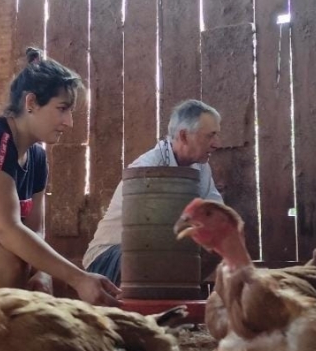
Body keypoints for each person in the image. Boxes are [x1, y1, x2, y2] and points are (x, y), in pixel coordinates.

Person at [0, 47, 120, 306]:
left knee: (46, 272)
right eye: (62, 109)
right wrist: (79, 279)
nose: (69, 122)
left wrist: (43, 274)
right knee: (12, 263)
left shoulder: (38, 159)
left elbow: (34, 230)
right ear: (31, 103)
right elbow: (7, 230)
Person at [84, 99, 223, 285]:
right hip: (109, 256)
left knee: (219, 239)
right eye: (210, 136)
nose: (216, 143)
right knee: (154, 255)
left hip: (157, 256)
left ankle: (180, 296)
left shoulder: (201, 168)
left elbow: (217, 214)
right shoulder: (147, 168)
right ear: (183, 136)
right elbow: (151, 236)